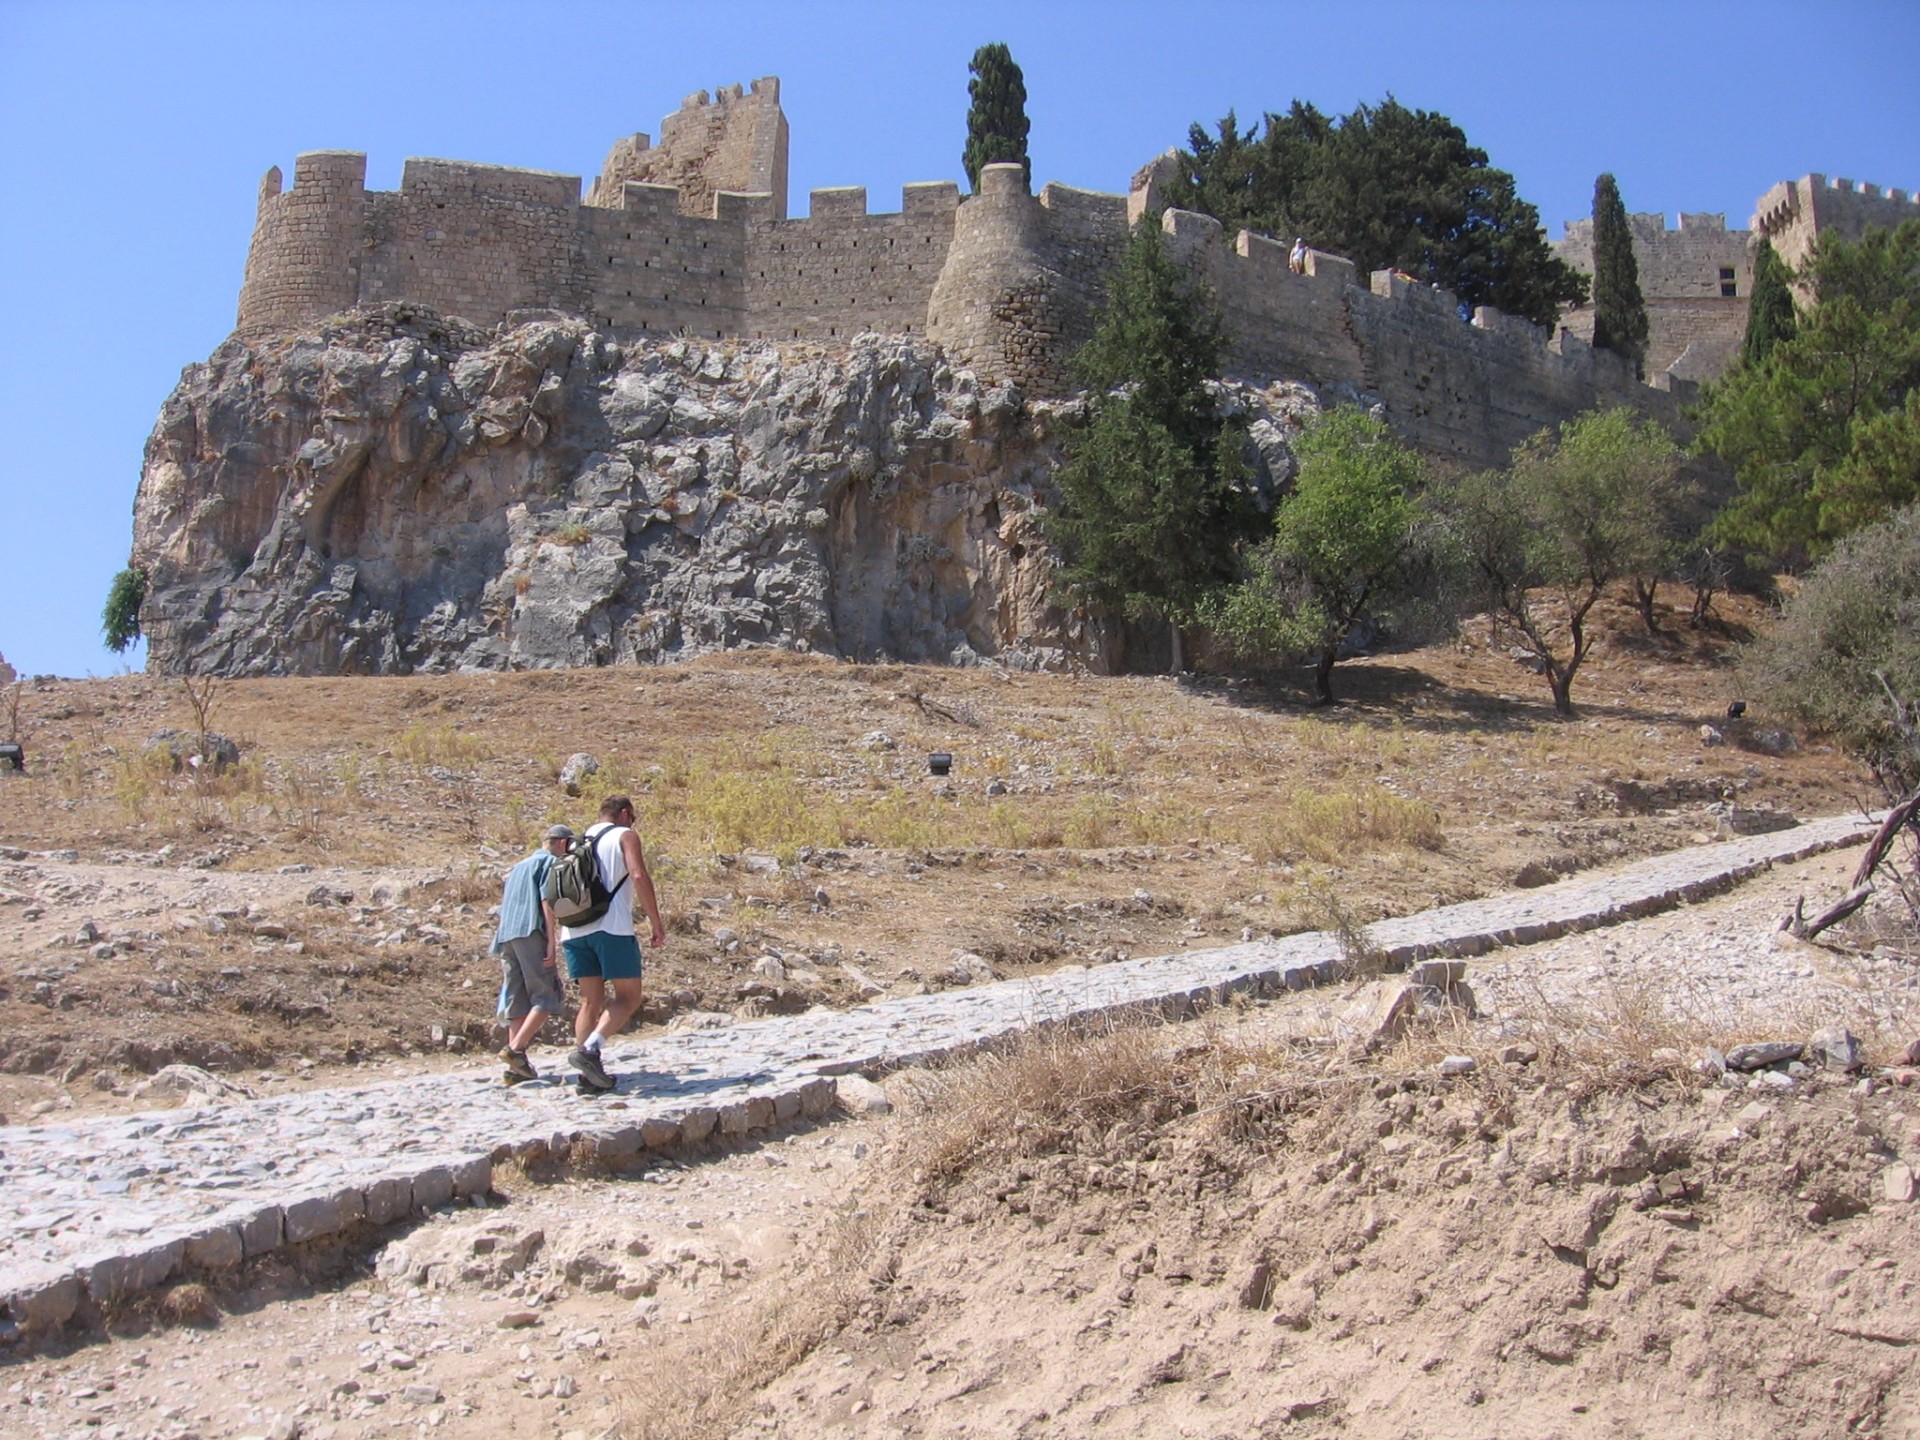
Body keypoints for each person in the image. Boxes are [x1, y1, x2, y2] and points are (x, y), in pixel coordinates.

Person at [560, 794, 666, 1092]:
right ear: (623, 813)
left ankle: (588, 1077)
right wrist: (655, 920)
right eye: (633, 817)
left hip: (574, 930)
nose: (633, 823)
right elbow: (638, 874)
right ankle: (589, 1051)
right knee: (628, 997)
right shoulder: (625, 835)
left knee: (589, 1001)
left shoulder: (577, 840)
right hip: (612, 927)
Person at [491, 824, 574, 1084]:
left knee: (517, 997)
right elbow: (546, 902)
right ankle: (515, 1049)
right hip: (531, 932)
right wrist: (551, 941)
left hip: (506, 936)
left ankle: (517, 1067)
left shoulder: (519, 866)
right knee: (545, 994)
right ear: (561, 843)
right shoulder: (550, 864)